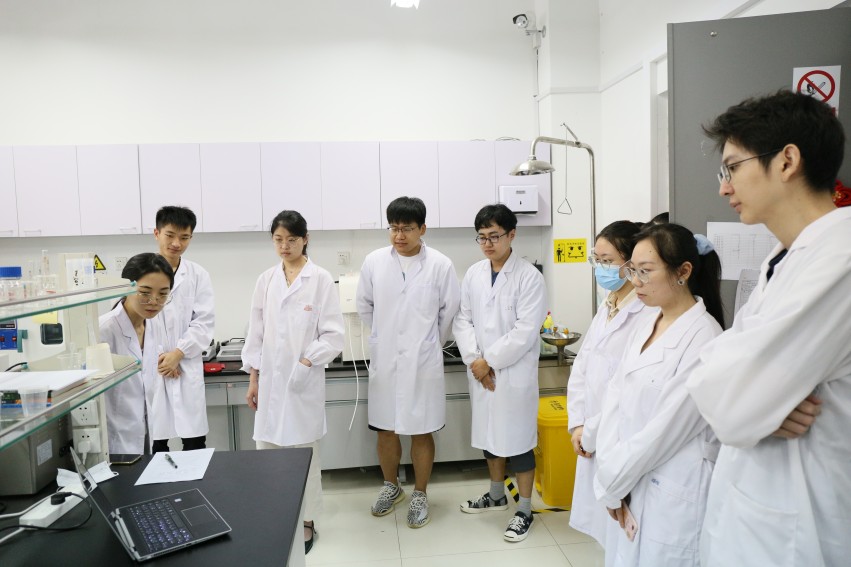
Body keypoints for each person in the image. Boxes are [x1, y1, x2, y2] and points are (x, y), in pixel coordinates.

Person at [687, 91, 850, 567]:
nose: (724, 188)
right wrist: (756, 402)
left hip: (800, 527)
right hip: (755, 509)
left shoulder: (840, 259)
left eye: (732, 168)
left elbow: (733, 405)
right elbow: (721, 376)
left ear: (787, 161)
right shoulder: (784, 257)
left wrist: (751, 403)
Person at [593, 222, 724, 566]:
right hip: (628, 479)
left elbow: (663, 431)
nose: (635, 281)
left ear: (683, 272)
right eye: (632, 270)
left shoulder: (704, 337)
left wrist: (612, 483)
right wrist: (609, 476)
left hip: (671, 490)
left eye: (646, 271)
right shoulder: (647, 323)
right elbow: (614, 401)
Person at [242, 210, 344, 555]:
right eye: (278, 239)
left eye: (291, 239)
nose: (284, 246)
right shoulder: (266, 280)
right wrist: (253, 379)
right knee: (269, 453)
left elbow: (334, 335)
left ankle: (307, 520)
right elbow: (256, 333)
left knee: (304, 456)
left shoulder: (320, 279)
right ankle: (278, 515)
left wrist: (306, 361)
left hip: (302, 382)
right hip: (270, 382)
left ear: (305, 239)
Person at [356, 196, 460, 529]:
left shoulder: (440, 265)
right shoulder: (374, 262)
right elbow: (364, 306)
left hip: (422, 361)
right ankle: (391, 487)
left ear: (422, 229)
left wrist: (427, 343)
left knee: (421, 429)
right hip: (386, 359)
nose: (399, 235)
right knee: (385, 428)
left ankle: (420, 493)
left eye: (407, 229)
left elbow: (449, 312)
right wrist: (384, 337)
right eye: (394, 228)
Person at [453, 204, 547, 543]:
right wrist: (474, 360)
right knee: (489, 436)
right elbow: (462, 319)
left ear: (512, 235)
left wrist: (488, 361)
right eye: (482, 237)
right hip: (481, 372)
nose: (488, 244)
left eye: (494, 236)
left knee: (518, 442)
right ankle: (496, 495)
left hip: (511, 373)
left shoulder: (529, 277)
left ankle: (525, 509)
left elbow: (525, 331)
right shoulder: (474, 274)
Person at [567, 220, 658, 546]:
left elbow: (627, 389)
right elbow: (582, 366)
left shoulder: (647, 312)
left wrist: (591, 431)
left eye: (607, 261)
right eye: (596, 259)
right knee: (604, 528)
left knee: (623, 531)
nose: (600, 268)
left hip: (618, 435)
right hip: (591, 430)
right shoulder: (609, 304)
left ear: (630, 263)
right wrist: (578, 424)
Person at [151, 206, 214, 452]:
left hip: (185, 365)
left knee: (194, 444)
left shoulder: (198, 275)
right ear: (157, 233)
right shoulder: (140, 273)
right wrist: (162, 359)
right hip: (154, 369)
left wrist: (177, 353)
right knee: (155, 445)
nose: (176, 243)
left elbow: (204, 322)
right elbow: (137, 322)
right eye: (170, 235)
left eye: (184, 237)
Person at [102, 253, 174, 455]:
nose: (154, 301)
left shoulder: (152, 324)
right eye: (145, 293)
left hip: (144, 431)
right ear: (127, 288)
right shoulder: (105, 330)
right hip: (113, 439)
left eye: (163, 294)